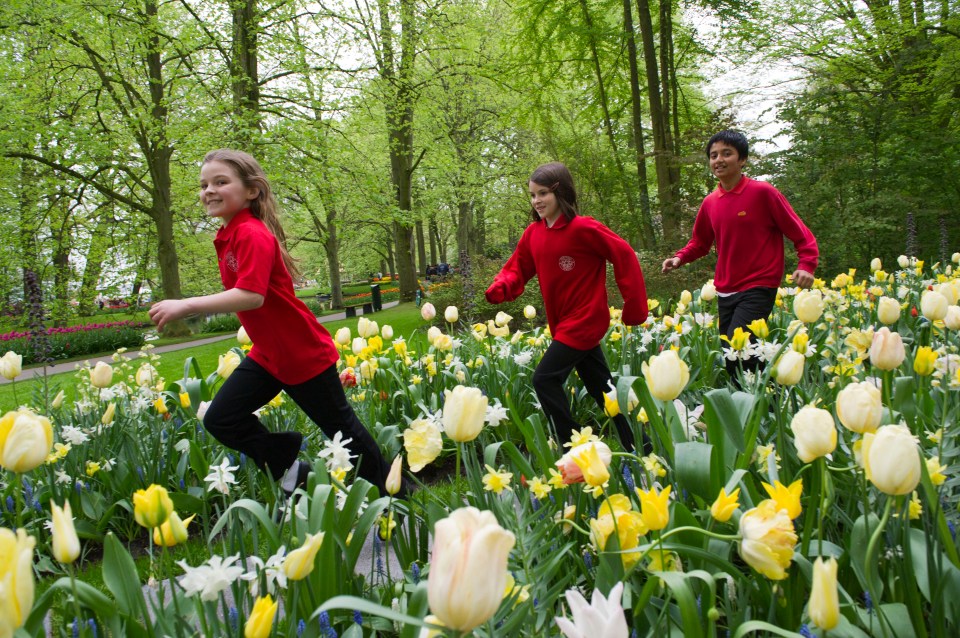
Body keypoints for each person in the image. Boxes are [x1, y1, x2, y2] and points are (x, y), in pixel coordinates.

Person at [149, 149, 398, 498]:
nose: (209, 190)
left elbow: (251, 295)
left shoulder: (251, 233)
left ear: (251, 190)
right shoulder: (229, 235)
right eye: (204, 184)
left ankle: (398, 497)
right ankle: (291, 466)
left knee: (344, 433)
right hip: (269, 354)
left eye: (221, 182)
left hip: (300, 352)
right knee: (221, 418)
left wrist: (188, 305)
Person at [485, 162, 648, 451]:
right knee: (604, 390)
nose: (537, 201)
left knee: (545, 379)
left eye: (543, 193)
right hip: (562, 324)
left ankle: (574, 447)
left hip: (585, 320)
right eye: (533, 195)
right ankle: (640, 444)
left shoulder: (584, 228)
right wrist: (502, 286)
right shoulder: (533, 234)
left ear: (561, 192)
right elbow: (517, 268)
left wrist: (634, 306)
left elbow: (624, 255)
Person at [662, 130, 818, 380]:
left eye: (727, 153)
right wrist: (680, 257)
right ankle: (766, 403)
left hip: (758, 285)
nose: (718, 160)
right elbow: (700, 243)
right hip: (725, 289)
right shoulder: (710, 202)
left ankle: (759, 407)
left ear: (742, 159)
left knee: (738, 349)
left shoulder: (763, 193)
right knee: (735, 356)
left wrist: (807, 264)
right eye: (713, 155)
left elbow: (800, 233)